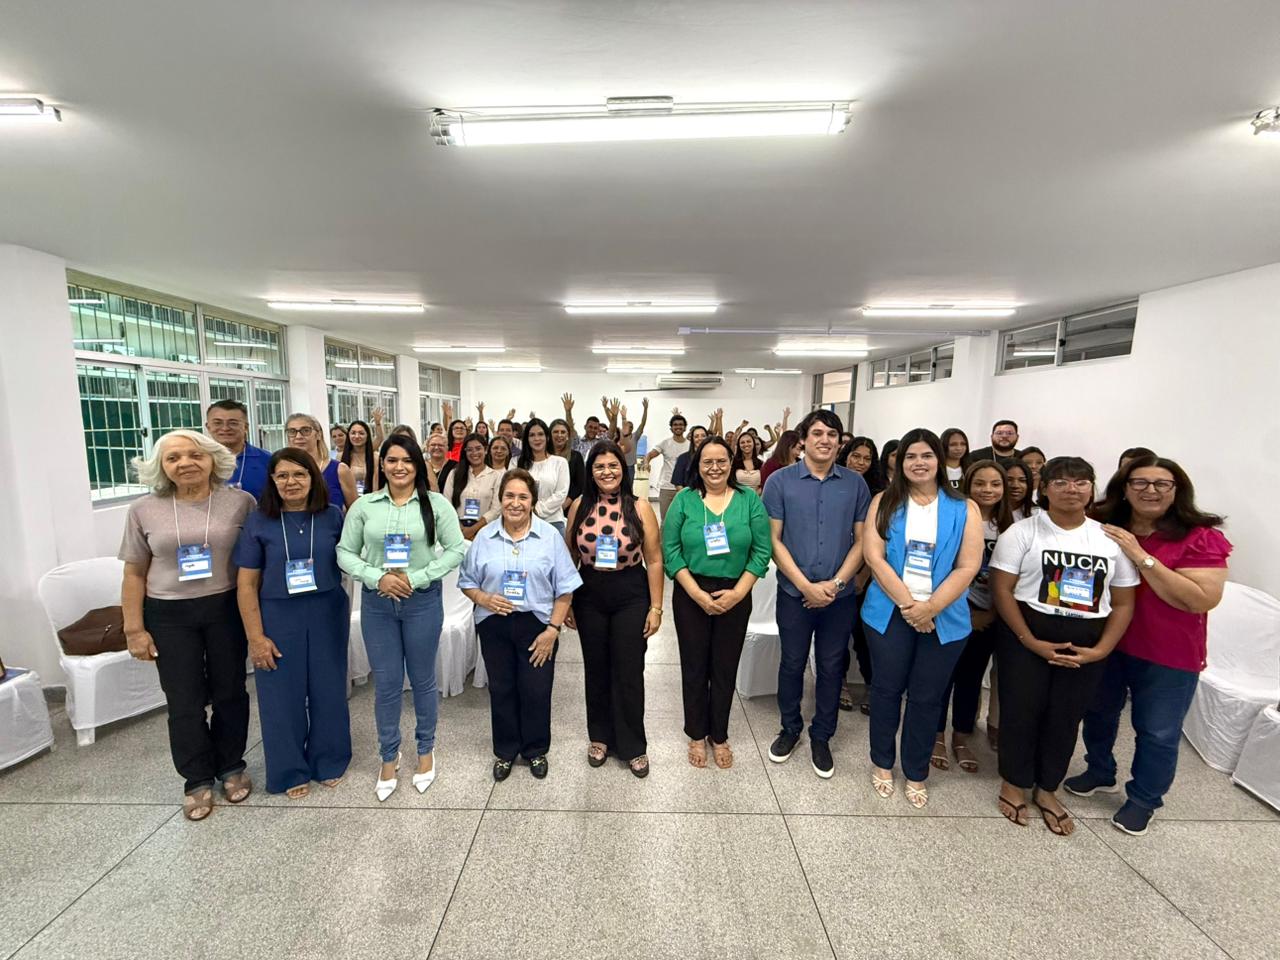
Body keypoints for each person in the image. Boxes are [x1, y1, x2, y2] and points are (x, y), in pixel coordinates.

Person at [1066, 456, 1230, 835]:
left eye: (1161, 484)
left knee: (1157, 730)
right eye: (1140, 482)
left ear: (1177, 490)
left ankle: (1144, 799)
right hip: (1108, 642)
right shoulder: (1104, 527)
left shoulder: (1200, 537)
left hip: (1168, 653)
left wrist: (1141, 557)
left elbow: (1200, 599)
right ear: (1124, 489)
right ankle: (1100, 770)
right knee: (1098, 712)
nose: (1150, 490)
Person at [989, 456, 1139, 836]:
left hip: (1087, 637)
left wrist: (1102, 650)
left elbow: (1123, 602)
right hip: (1028, 630)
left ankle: (1048, 788)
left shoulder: (1110, 538)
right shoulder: (1022, 533)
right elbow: (1002, 590)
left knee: (1066, 715)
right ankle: (1013, 781)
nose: (1071, 489)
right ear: (1044, 489)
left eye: (1081, 482)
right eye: (1061, 482)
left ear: (1091, 489)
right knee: (1021, 710)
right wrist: (1029, 641)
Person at [119, 429, 257, 820]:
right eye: (173, 458)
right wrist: (134, 629)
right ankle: (196, 778)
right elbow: (133, 573)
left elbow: (253, 562)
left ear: (213, 459)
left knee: (231, 690)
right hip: (168, 613)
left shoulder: (240, 502)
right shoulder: (143, 509)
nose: (185, 463)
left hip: (225, 607)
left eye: (195, 455)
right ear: (161, 466)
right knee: (184, 699)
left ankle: (231, 765)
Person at [337, 435, 466, 801]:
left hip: (421, 601)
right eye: (392, 460)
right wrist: (377, 577)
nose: (399, 467)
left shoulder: (435, 504)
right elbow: (345, 552)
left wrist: (417, 577)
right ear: (382, 465)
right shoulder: (365, 506)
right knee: (388, 683)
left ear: (417, 465)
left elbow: (455, 549)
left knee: (423, 680)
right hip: (378, 604)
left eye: (407, 460)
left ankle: (425, 750)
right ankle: (388, 755)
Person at [860, 429, 982, 807]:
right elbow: (874, 557)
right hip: (889, 613)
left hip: (943, 616)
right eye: (910, 456)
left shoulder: (964, 508)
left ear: (939, 461)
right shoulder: (884, 501)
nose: (918, 463)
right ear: (900, 463)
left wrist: (931, 608)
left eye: (926, 455)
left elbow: (968, 566)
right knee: (886, 690)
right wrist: (910, 607)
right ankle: (882, 762)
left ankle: (916, 769)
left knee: (928, 698)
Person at [235, 448, 350, 797]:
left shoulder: (332, 516)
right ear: (272, 480)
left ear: (313, 478)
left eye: (299, 474)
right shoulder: (259, 521)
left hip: (327, 611)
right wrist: (255, 637)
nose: (291, 482)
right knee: (280, 695)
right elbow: (246, 584)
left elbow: (353, 559)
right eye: (282, 475)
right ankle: (289, 769)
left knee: (329, 689)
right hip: (277, 615)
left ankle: (329, 759)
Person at [764, 410, 872, 778]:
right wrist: (806, 586)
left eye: (832, 434)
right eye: (818, 433)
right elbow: (774, 540)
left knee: (831, 666)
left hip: (839, 599)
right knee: (792, 663)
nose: (825, 440)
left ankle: (822, 736)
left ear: (840, 442)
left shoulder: (855, 484)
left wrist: (836, 584)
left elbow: (862, 541)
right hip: (794, 594)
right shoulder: (779, 481)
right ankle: (790, 728)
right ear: (803, 440)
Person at [459, 470, 582, 781]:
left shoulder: (549, 537)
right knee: (501, 688)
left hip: (537, 624)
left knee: (536, 690)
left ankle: (535, 749)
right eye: (509, 496)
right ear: (500, 499)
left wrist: (552, 630)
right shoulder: (484, 537)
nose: (515, 503)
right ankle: (505, 751)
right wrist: (484, 598)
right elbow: (467, 581)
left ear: (533, 502)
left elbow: (565, 589)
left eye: (523, 497)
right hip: (494, 623)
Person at [663, 437, 772, 769]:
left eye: (721, 461)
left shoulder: (749, 500)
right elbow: (670, 551)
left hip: (735, 591)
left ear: (731, 463)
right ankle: (696, 733)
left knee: (724, 667)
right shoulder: (684, 500)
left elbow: (762, 552)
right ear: (697, 466)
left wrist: (738, 593)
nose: (715, 468)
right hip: (690, 591)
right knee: (695, 666)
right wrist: (696, 593)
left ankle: (719, 735)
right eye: (707, 462)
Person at [564, 441, 664, 777]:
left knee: (629, 669)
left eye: (613, 466)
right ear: (590, 472)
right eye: (599, 467)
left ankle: (633, 745)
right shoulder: (579, 506)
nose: (607, 472)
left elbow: (654, 560)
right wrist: (566, 602)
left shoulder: (640, 507)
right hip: (589, 592)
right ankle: (600, 736)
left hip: (630, 593)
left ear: (623, 468)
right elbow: (570, 557)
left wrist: (656, 607)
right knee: (596, 668)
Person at [932, 460, 1014, 773]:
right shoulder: (953, 516)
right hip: (952, 609)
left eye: (995, 484)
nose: (987, 490)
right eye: (980, 483)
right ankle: (936, 734)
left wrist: (991, 613)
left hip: (993, 614)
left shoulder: (1011, 526)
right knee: (942, 676)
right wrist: (965, 612)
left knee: (971, 678)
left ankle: (961, 736)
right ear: (967, 484)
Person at [286, 413, 357, 510]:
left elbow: (355, 512)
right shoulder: (281, 472)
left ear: (318, 434)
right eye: (292, 431)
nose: (298, 436)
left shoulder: (340, 470)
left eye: (306, 430)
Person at [204, 399, 271, 499]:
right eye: (218, 423)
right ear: (208, 427)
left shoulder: (268, 460)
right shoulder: (198, 461)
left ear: (246, 427)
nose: (225, 428)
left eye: (233, 423)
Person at [516, 418, 571, 533]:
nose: (537, 439)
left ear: (547, 437)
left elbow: (561, 494)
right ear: (526, 439)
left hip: (553, 522)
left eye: (540, 434)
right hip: (522, 522)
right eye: (532, 435)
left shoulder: (560, 462)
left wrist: (536, 510)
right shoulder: (515, 462)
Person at [446, 432, 502, 541]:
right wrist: (460, 528)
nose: (474, 453)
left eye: (478, 448)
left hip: (485, 531)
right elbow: (447, 504)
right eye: (470, 450)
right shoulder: (454, 474)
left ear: (485, 450)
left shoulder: (496, 476)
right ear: (465, 452)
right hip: (457, 530)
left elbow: (496, 509)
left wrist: (473, 529)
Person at [644, 411, 690, 520]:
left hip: (685, 488)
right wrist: (646, 463)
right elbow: (650, 455)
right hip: (667, 487)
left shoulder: (690, 445)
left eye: (680, 425)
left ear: (685, 428)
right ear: (671, 428)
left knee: (684, 519)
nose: (678, 427)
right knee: (666, 520)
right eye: (675, 425)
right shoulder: (665, 443)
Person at [549, 417, 587, 503]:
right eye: (556, 432)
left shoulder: (576, 457)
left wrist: (564, 506)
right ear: (549, 435)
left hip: (568, 505)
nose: (559, 435)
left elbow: (579, 486)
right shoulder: (543, 455)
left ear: (568, 436)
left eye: (563, 432)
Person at [341, 419, 380, 495]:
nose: (357, 436)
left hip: (370, 497)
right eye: (353, 433)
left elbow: (377, 484)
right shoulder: (341, 456)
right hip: (348, 498)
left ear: (367, 436)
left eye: (361, 433)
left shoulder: (375, 457)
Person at [669, 425, 709, 491]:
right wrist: (687, 497)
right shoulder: (683, 458)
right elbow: (678, 484)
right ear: (692, 439)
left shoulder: (714, 457)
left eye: (703, 436)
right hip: (689, 495)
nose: (700, 438)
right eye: (696, 436)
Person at [731, 430, 765, 495]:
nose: (746, 444)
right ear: (739, 445)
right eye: (742, 442)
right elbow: (730, 483)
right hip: (738, 497)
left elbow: (764, 484)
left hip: (756, 497)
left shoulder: (761, 463)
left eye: (748, 441)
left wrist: (754, 495)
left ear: (753, 444)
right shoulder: (733, 462)